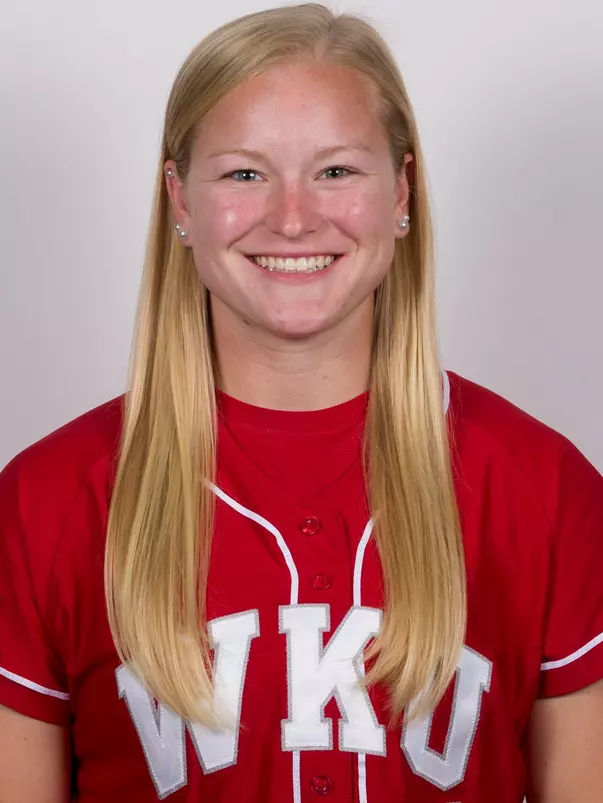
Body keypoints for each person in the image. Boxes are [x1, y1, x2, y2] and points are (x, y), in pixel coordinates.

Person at [1, 3, 602, 801]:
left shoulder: (544, 486)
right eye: (244, 172)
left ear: (401, 190)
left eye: (336, 170)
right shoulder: (45, 500)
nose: (291, 217)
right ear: (180, 201)